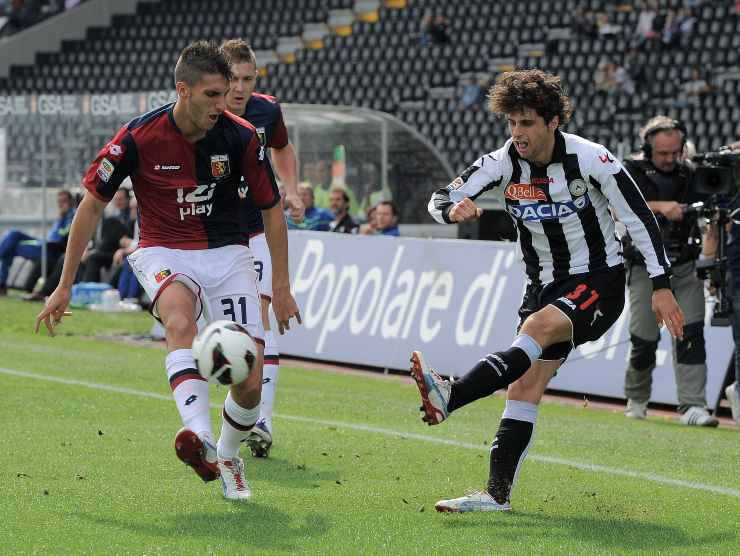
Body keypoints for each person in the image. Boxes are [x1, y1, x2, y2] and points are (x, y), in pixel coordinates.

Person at [34, 41, 301, 501]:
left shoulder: (240, 137)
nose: (225, 103)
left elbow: (273, 212)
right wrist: (63, 285)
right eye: (213, 95)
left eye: (228, 93)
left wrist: (281, 286)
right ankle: (198, 435)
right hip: (165, 251)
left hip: (229, 252)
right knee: (179, 319)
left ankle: (229, 455)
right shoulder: (136, 138)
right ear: (183, 89)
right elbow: (91, 208)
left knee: (250, 383)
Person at [409, 69, 683, 513]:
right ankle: (496, 495)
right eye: (511, 122)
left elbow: (638, 219)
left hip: (599, 280)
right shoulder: (500, 163)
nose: (517, 133)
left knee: (537, 328)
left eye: (527, 123)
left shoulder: (592, 159)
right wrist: (451, 209)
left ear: (553, 121)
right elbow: (439, 197)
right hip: (542, 285)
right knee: (524, 386)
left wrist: (660, 283)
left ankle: (453, 395)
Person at [220, 38, 304, 459]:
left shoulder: (266, 110)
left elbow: (282, 147)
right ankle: (227, 411)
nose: (239, 88)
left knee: (261, 313)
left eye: (247, 79)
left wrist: (290, 190)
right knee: (219, 330)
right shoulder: (201, 109)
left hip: (256, 227)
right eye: (232, 79)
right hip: (212, 235)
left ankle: (262, 420)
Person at [621, 116, 717, 426]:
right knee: (644, 338)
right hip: (644, 267)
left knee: (692, 334)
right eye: (663, 153)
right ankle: (636, 399)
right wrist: (661, 206)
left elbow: (710, 207)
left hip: (685, 264)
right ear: (647, 149)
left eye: (675, 152)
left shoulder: (691, 173)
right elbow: (616, 206)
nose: (669, 159)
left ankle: (693, 405)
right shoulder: (630, 170)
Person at [0, 189, 75, 295]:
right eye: (59, 202)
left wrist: (65, 217)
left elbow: (62, 236)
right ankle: (1, 283)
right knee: (13, 234)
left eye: (64, 201)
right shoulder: (61, 216)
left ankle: (2, 284)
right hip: (42, 242)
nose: (61, 204)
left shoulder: (72, 216)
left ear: (70, 202)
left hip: (49, 249)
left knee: (10, 248)